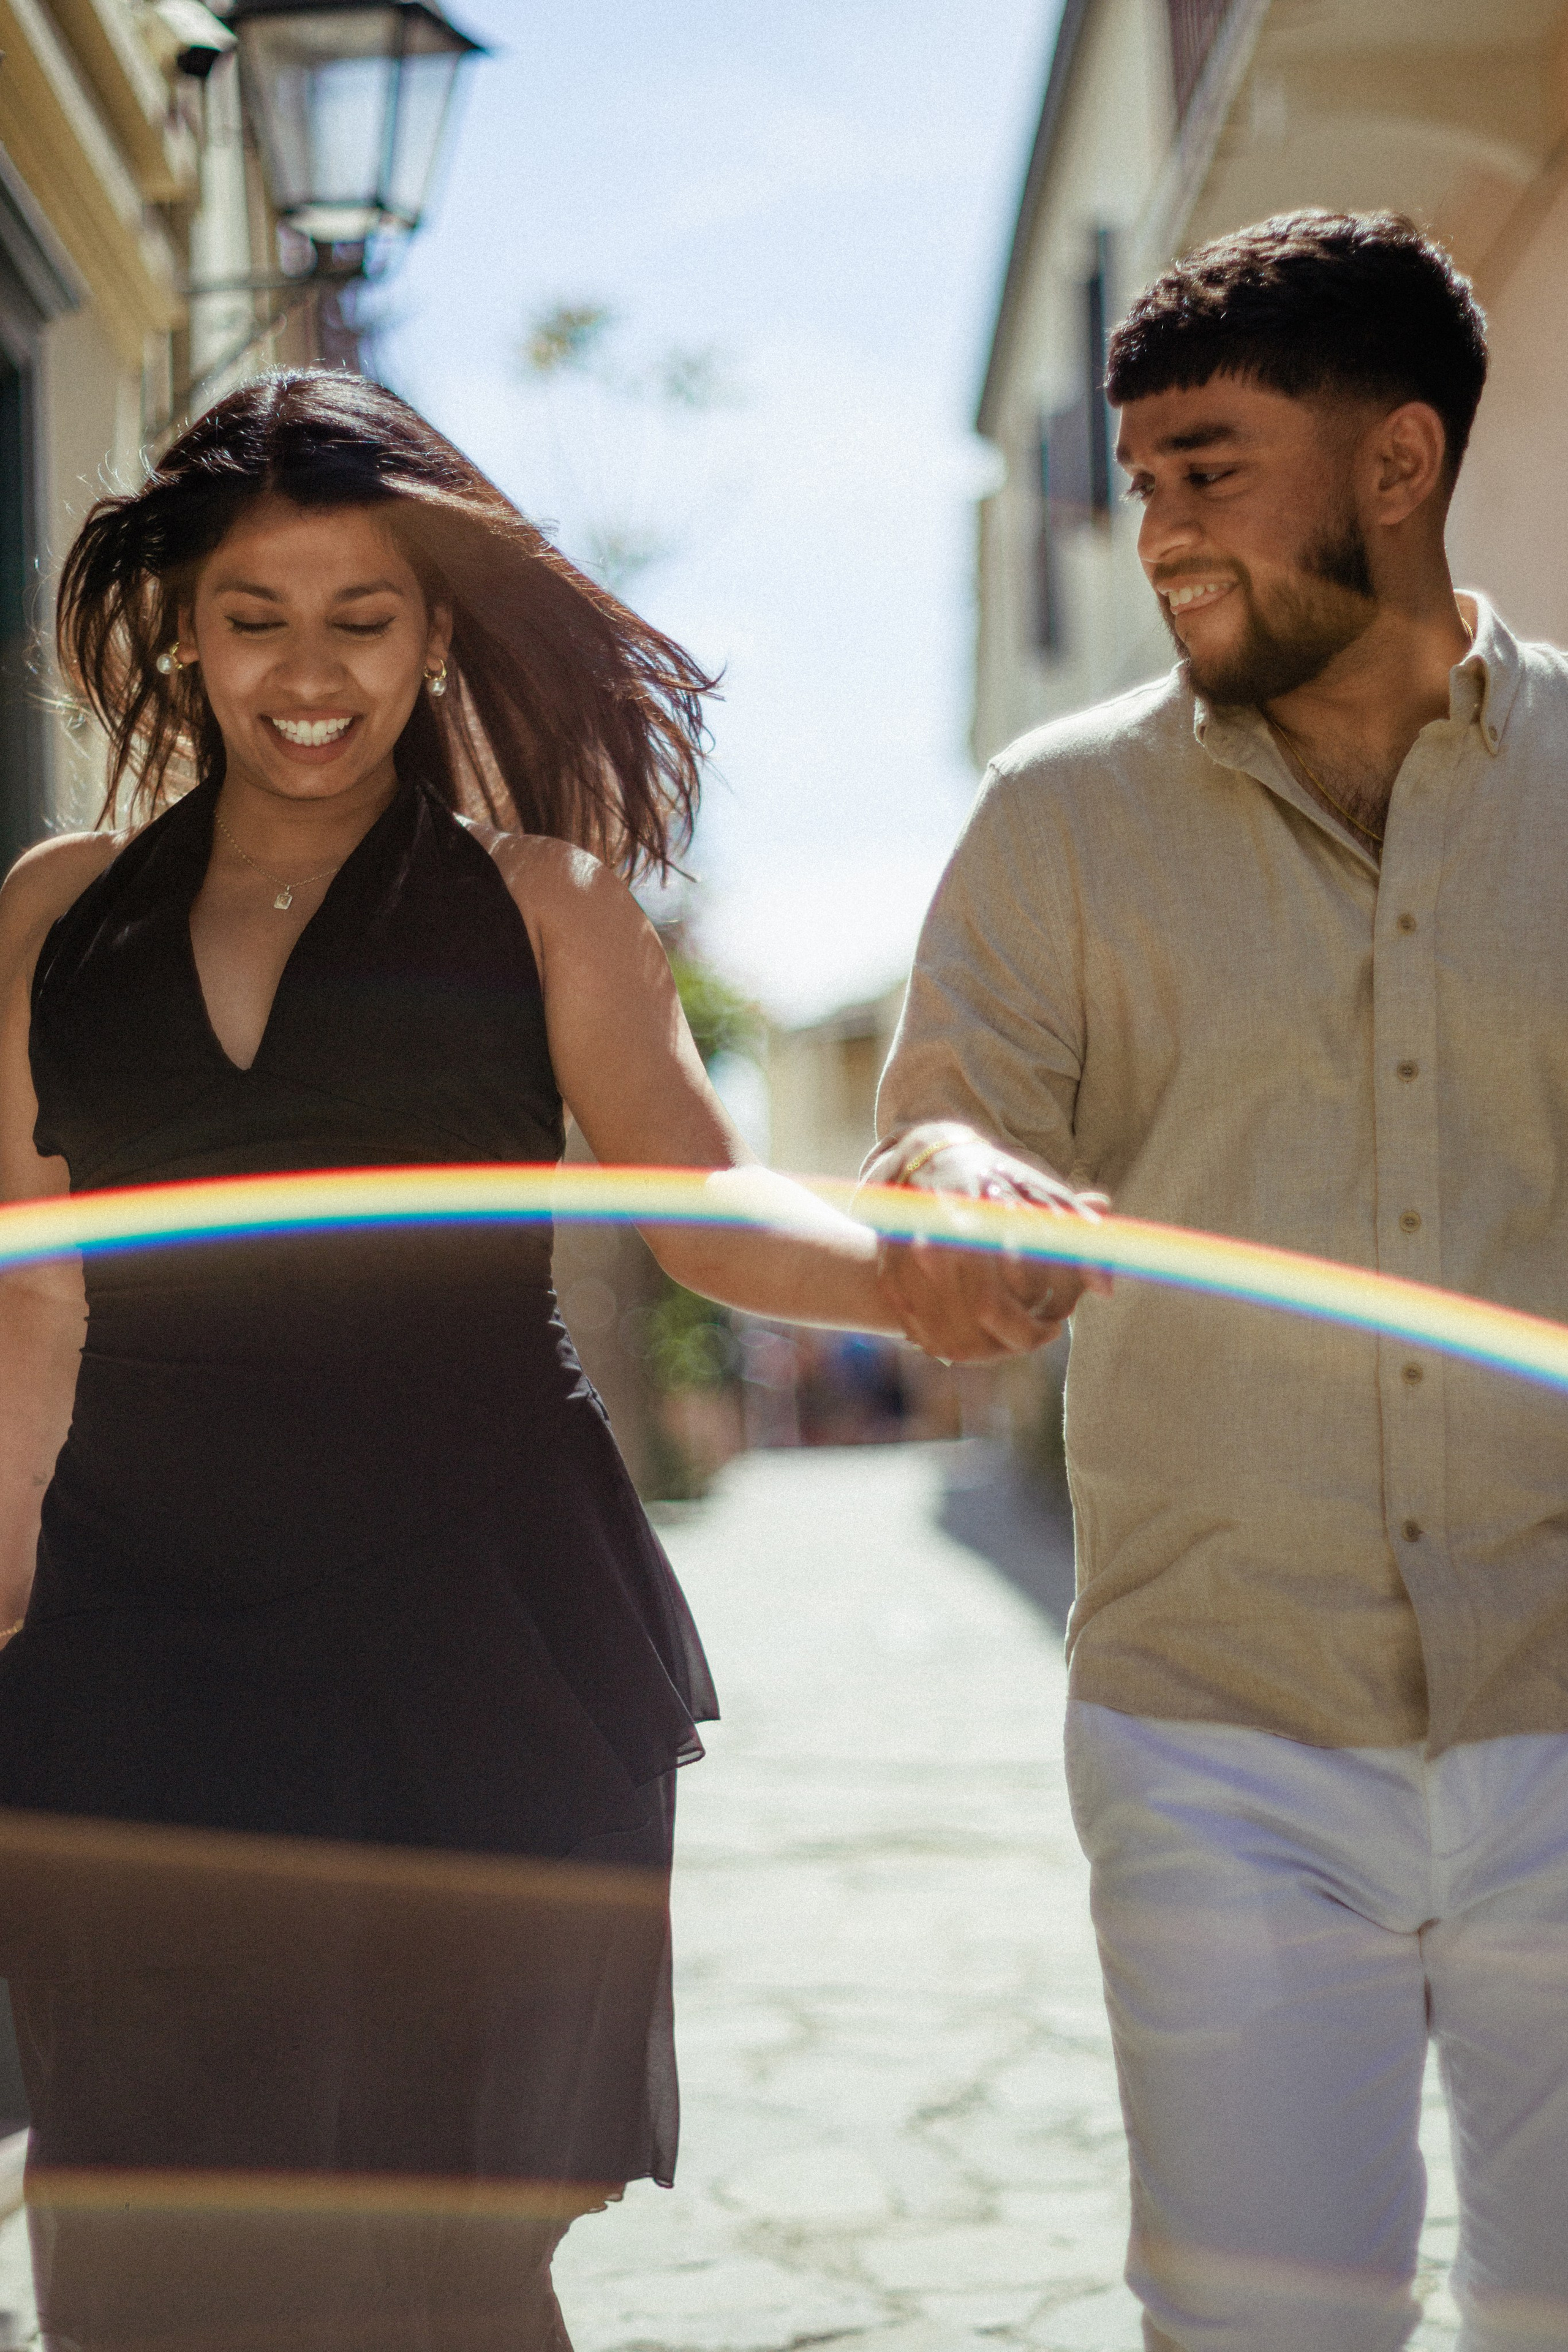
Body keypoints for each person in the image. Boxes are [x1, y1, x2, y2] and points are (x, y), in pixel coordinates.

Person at [0, 369, 957, 2352]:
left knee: (437, 2257)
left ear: (438, 634)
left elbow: (699, 1208)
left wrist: (918, 1278)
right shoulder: (51, 916)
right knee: (132, 2224)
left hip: (479, 1635)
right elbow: (32, 1291)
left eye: (364, 617)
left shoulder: (548, 907)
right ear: (182, 622)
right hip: (144, 1643)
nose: (307, 672)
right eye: (255, 617)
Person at [869, 210, 1568, 2352]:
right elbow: (939, 1138)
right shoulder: (1061, 817)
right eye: (1140, 477)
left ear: (1397, 465)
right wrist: (968, 1188)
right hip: (1221, 1729)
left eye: (1210, 467)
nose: (1159, 533)